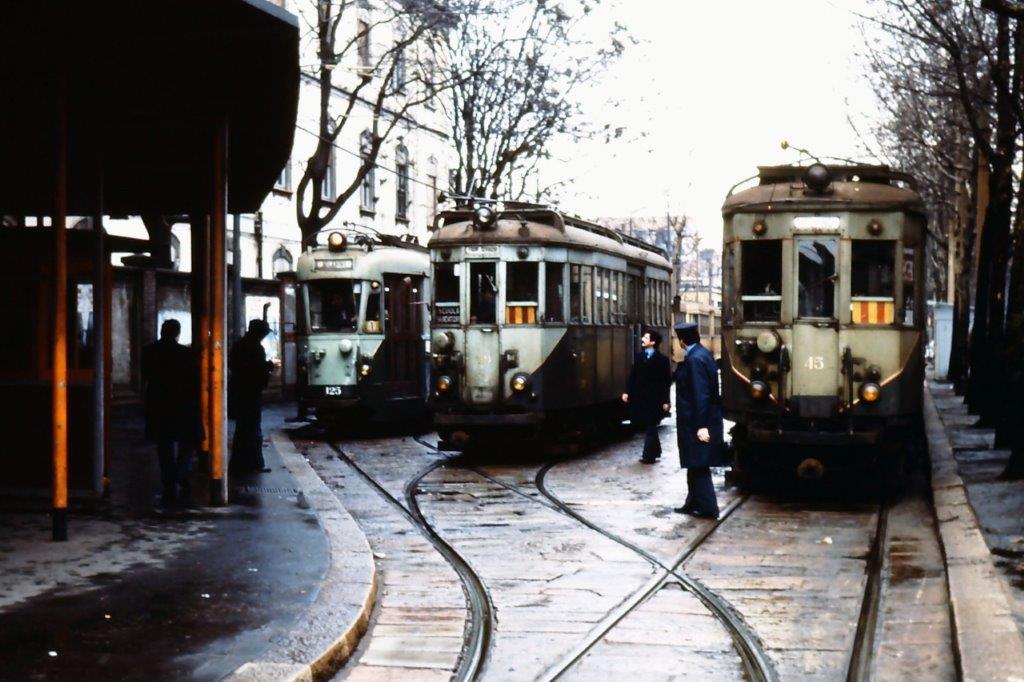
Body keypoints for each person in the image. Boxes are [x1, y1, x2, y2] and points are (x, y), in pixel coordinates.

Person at [141, 319, 202, 507]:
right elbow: (194, 379)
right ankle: (180, 474)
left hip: (159, 402)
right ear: (177, 333)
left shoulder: (149, 351)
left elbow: (146, 374)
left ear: (162, 331)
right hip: (183, 403)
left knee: (164, 443)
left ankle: (169, 480)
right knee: (187, 442)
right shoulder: (185, 353)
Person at [673, 322, 728, 519]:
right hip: (699, 419)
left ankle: (708, 507)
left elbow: (700, 394)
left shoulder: (694, 360)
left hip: (696, 421)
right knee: (694, 462)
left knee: (698, 464)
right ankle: (693, 502)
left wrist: (701, 426)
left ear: (682, 340)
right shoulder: (702, 354)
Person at [229, 319, 275, 474]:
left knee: (243, 429)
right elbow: (257, 371)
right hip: (251, 393)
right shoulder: (256, 348)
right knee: (252, 428)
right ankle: (254, 463)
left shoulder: (239, 344)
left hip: (240, 391)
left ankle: (240, 463)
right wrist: (268, 366)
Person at [622, 330, 671, 463]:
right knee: (650, 426)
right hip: (641, 398)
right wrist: (627, 392)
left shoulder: (662, 360)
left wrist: (666, 401)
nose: (642, 339)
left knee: (651, 425)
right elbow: (633, 376)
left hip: (655, 399)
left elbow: (665, 382)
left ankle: (648, 456)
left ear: (653, 342)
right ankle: (656, 451)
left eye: (645, 337)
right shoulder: (639, 357)